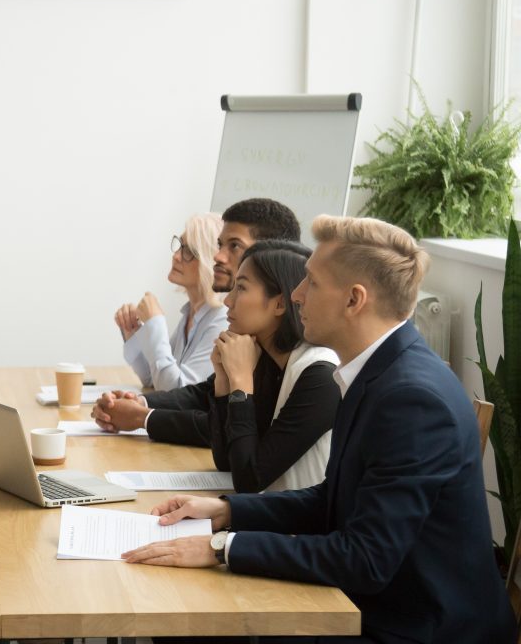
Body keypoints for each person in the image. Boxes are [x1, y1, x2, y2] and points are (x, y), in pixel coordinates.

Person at [121, 216, 516, 643]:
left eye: (310, 282)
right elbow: (333, 498)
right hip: (378, 606)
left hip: (416, 628)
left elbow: (366, 558)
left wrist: (223, 547)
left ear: (354, 300)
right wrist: (228, 512)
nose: (296, 295)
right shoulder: (377, 371)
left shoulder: (412, 400)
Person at [96, 241, 341, 492]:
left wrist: (241, 385)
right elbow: (226, 462)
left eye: (242, 288)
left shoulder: (320, 376)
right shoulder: (267, 360)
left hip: (298, 530)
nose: (228, 301)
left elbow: (249, 479)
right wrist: (224, 383)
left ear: (280, 303)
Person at [97, 197, 303, 450]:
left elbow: (228, 436)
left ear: (271, 254)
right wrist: (137, 403)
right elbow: (199, 394)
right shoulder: (249, 333)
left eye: (234, 246)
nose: (218, 256)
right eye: (219, 245)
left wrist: (142, 416)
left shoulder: (303, 364)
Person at [114, 213, 229, 390]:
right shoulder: (192, 312)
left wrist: (156, 324)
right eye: (180, 245)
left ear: (209, 261)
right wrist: (133, 331)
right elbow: (154, 379)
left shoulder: (221, 320)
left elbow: (178, 391)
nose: (176, 256)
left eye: (189, 251)